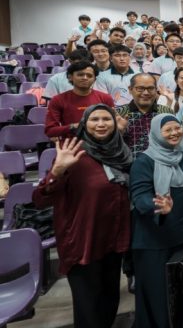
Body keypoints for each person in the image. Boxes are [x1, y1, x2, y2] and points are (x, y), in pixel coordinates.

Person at [33, 105, 133, 327]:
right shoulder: (73, 154)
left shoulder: (121, 151)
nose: (101, 124)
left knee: (109, 299)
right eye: (94, 119)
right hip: (83, 241)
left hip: (114, 240)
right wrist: (56, 172)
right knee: (88, 308)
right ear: (84, 124)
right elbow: (40, 199)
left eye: (106, 119)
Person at [129, 114, 183, 328]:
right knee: (159, 297)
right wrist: (157, 206)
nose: (174, 133)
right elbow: (139, 196)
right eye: (167, 130)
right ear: (156, 133)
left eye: (176, 128)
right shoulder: (143, 161)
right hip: (156, 239)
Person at [45, 61, 115, 138]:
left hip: (101, 146)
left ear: (94, 79)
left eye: (89, 75)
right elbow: (50, 131)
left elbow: (113, 125)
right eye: (80, 75)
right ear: (70, 77)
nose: (85, 78)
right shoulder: (58, 100)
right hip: (71, 147)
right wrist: (74, 126)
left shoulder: (105, 98)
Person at [115, 73, 174, 157]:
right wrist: (118, 132)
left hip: (161, 163)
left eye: (150, 88)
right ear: (130, 89)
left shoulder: (166, 112)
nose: (146, 93)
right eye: (140, 88)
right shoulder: (120, 114)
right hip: (128, 165)